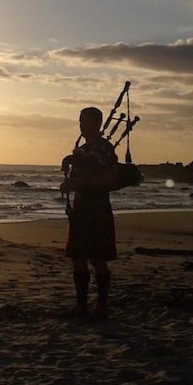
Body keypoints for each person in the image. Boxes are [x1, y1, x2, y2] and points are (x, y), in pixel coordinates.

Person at [60, 106, 120, 320]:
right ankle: (81, 305)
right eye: (80, 121)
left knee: (97, 257)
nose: (82, 126)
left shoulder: (104, 148)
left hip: (97, 207)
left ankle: (102, 307)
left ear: (97, 124)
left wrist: (82, 182)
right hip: (81, 207)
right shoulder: (83, 150)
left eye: (86, 121)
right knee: (77, 256)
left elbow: (110, 176)